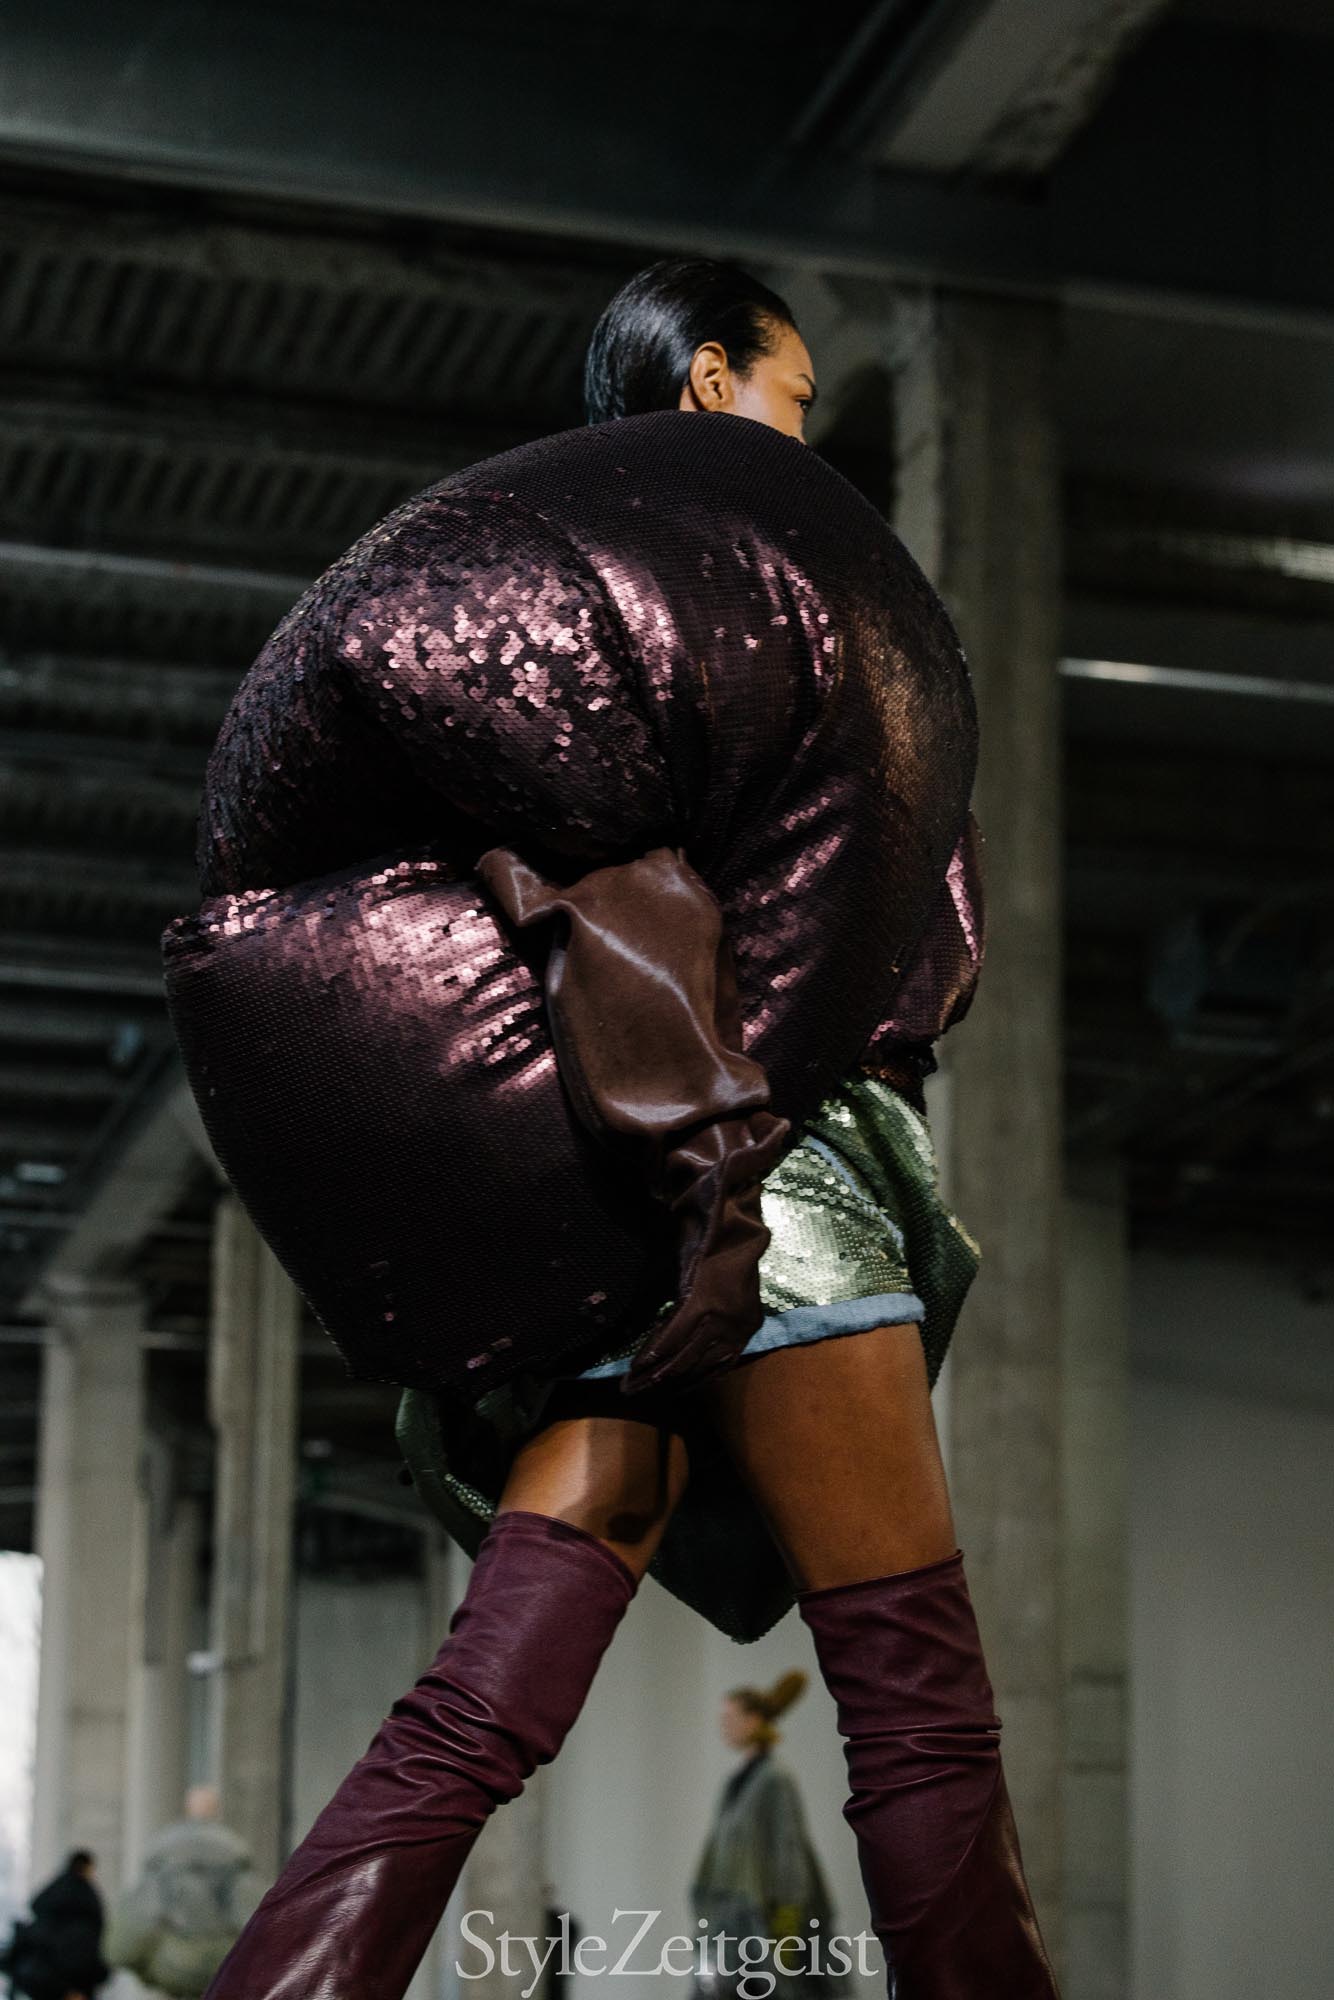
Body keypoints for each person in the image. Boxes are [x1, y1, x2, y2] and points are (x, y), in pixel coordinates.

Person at [159, 257, 1060, 1997]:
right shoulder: (753, 588)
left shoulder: (575, 622)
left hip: (605, 1235)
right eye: (793, 397)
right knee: (919, 1712)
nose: (804, 438)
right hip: (772, 1209)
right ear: (712, 380)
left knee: (470, 1718)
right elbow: (877, 923)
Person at [691, 1673, 848, 2000]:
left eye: (730, 1718)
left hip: (766, 1934)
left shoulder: (774, 1780)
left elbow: (789, 1857)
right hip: (733, 1935)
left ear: (753, 1720)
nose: (724, 1726)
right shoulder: (737, 1783)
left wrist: (784, 1939)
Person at [103, 1788, 264, 1999]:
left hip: (171, 1963)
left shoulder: (165, 1855)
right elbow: (252, 1916)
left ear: (187, 1810)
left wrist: (133, 1961)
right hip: (219, 1962)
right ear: (217, 1812)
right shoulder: (234, 1855)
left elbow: (140, 1918)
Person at [4, 1850, 107, 2000]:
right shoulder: (85, 1898)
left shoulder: (53, 1892)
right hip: (72, 1982)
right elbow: (86, 1945)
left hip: (41, 1979)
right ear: (87, 1867)